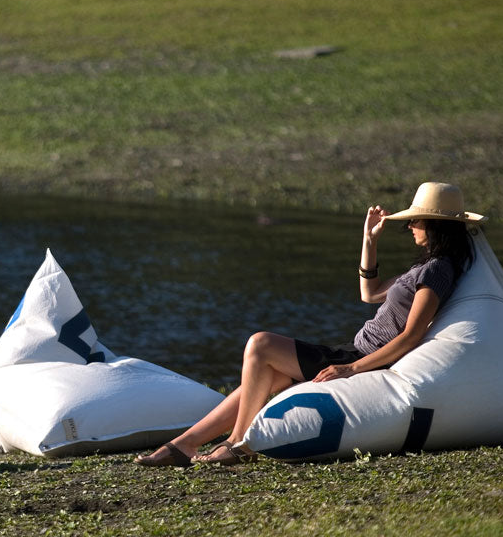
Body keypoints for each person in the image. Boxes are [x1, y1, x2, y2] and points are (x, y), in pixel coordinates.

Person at [135, 181, 485, 468]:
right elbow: (370, 292)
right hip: (354, 350)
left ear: (435, 225)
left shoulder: (437, 269)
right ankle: (185, 444)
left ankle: (238, 444)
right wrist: (370, 240)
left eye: (416, 221)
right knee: (269, 374)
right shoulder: (425, 267)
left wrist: (350, 368)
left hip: (362, 355)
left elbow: (411, 336)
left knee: (260, 344)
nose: (409, 226)